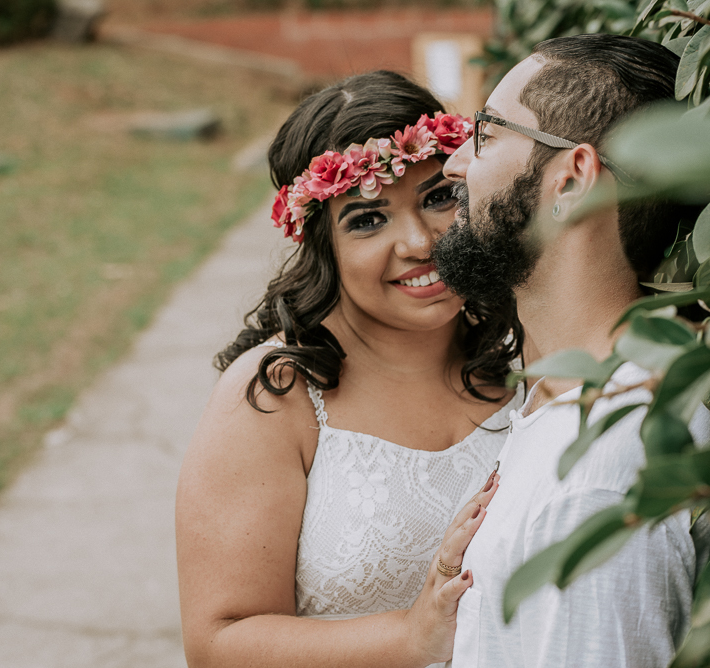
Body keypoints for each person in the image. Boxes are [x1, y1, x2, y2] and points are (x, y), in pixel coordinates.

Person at [175, 70, 524, 668]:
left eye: (438, 197)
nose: (419, 243)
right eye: (368, 219)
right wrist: (411, 637)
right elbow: (218, 644)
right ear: (320, 246)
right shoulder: (277, 396)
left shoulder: (528, 350)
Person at [432, 34, 710, 667]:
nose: (454, 163)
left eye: (486, 133)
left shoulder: (606, 469)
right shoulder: (570, 398)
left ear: (571, 179)